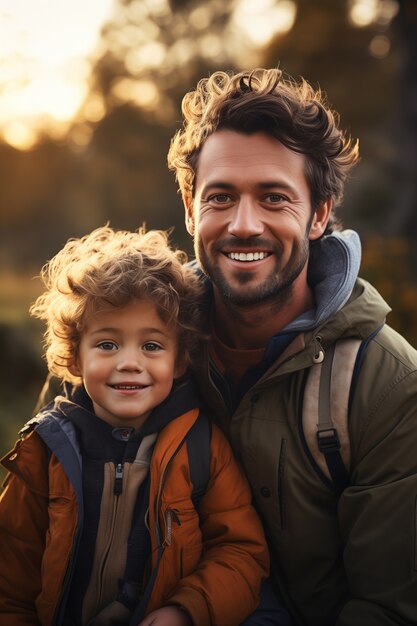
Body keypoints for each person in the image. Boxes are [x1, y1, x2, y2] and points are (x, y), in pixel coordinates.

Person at [167, 67, 417, 625]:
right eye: (221, 197)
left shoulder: (388, 387)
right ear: (190, 207)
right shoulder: (135, 344)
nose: (244, 225)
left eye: (274, 198)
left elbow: (390, 609)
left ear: (320, 214)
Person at [0, 226, 272, 626]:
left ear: (179, 362)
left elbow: (241, 553)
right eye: (108, 344)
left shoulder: (201, 446)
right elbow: (10, 574)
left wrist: (185, 611)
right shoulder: (46, 450)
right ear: (75, 359)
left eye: (152, 346)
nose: (130, 362)